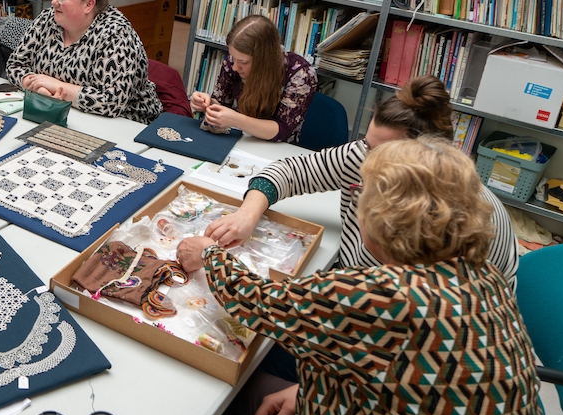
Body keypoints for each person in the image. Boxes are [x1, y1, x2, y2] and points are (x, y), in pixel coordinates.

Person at [179, 137, 543, 415]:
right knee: (234, 392)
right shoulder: (481, 273)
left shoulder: (387, 296)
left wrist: (210, 254)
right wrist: (307, 391)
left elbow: (254, 301)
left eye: (362, 194)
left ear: (387, 218)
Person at [204, 75, 519, 288]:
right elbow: (289, 171)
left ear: (426, 163)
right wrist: (247, 213)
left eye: (382, 154)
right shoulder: (364, 155)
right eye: (367, 145)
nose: (366, 162)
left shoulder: (464, 227)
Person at [6, 0, 164, 124]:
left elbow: (112, 103)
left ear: (88, 5)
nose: (54, 2)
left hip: (125, 124)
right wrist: (36, 87)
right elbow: (14, 65)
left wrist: (57, 87)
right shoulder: (48, 19)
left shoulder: (116, 34)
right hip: (61, 113)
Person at [189, 15, 316, 144]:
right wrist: (207, 103)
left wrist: (237, 120)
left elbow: (283, 130)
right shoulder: (233, 63)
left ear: (264, 59)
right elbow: (222, 104)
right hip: (235, 140)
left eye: (243, 61)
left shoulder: (301, 74)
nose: (234, 67)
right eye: (233, 58)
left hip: (275, 149)